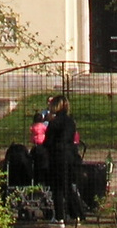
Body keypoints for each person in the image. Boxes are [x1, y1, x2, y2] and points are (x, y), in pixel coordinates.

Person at [43, 95, 83, 224]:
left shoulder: (55, 123)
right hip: (70, 157)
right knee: (68, 187)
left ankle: (59, 217)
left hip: (57, 157)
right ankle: (76, 214)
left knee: (58, 189)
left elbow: (48, 141)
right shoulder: (71, 121)